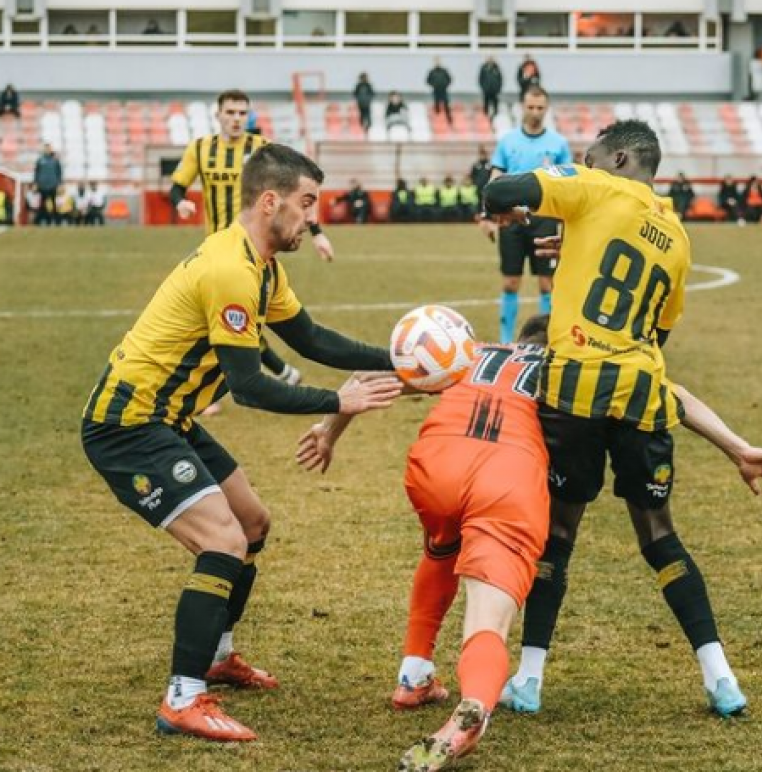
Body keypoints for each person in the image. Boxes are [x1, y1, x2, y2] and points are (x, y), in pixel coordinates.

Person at [80, 143, 403, 743]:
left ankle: (216, 657)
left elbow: (309, 338)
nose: (312, 216)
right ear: (270, 200)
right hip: (127, 424)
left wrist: (400, 358)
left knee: (252, 522)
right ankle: (182, 697)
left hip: (167, 417)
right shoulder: (230, 268)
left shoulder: (263, 266)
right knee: (223, 539)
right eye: (307, 203)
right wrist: (339, 401)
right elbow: (251, 387)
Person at [483, 120, 762, 719]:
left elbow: (501, 194)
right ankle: (721, 678)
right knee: (659, 535)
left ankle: (527, 680)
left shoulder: (594, 186)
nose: (583, 163)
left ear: (620, 157)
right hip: (640, 391)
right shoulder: (678, 236)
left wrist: (513, 208)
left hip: (575, 389)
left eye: (590, 156)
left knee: (557, 537)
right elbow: (658, 332)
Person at [297, 316, 553, 772]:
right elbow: (670, 398)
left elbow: (365, 377)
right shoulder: (568, 369)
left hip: (437, 465)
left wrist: (327, 432)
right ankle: (473, 706)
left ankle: (413, 675)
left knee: (441, 546)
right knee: (487, 622)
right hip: (507, 478)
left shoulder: (473, 352)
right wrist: (729, 444)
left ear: (517, 340)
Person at [169, 89, 335, 398]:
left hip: (256, 249)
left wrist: (317, 233)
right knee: (228, 319)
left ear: (249, 116)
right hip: (217, 251)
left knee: (243, 319)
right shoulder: (201, 149)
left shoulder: (262, 151)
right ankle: (276, 373)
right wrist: (180, 203)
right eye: (230, 112)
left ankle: (273, 373)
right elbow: (177, 186)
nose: (235, 119)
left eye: (241, 113)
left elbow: (299, 195)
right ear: (218, 115)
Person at [480, 85, 571, 343]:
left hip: (545, 219)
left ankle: (546, 340)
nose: (535, 112)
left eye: (540, 107)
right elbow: (495, 177)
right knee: (510, 282)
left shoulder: (558, 144)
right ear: (523, 106)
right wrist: (488, 214)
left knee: (547, 284)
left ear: (547, 108)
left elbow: (568, 184)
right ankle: (507, 341)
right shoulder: (508, 141)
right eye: (531, 107)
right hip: (512, 220)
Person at [33, 143, 62, 226]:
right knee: (43, 205)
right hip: (42, 186)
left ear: (51, 149)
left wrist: (59, 184)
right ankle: (44, 221)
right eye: (46, 148)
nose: (47, 150)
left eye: (49, 148)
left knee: (54, 204)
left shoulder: (55, 160)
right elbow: (36, 172)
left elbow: (59, 173)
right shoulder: (40, 160)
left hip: (53, 185)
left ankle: (56, 222)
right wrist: (35, 183)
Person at [426, 58, 453, 125]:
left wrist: (445, 85)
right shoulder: (432, 71)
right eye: (436, 61)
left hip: (443, 90)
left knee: (446, 104)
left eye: (438, 61)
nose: (437, 63)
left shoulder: (444, 71)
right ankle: (437, 119)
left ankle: (449, 119)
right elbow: (428, 80)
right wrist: (434, 85)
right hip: (436, 90)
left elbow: (449, 79)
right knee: (436, 104)